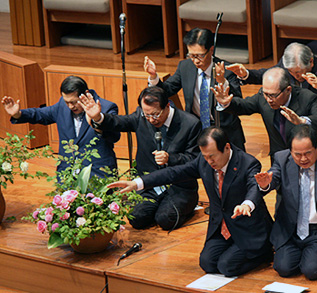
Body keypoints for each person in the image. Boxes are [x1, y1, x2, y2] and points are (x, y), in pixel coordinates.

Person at [107, 127, 273, 277]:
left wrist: (246, 204)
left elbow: (254, 188)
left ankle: (263, 252)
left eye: (212, 156)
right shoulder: (204, 161)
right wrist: (137, 183)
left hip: (247, 229)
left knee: (227, 266)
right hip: (222, 227)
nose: (209, 161)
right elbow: (174, 173)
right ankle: (233, 251)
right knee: (207, 263)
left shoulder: (248, 163)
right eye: (205, 156)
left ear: (227, 148)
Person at [79, 86, 201, 231]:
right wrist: (98, 117)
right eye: (147, 115)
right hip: (150, 184)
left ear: (167, 106)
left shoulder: (190, 123)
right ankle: (158, 206)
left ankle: (188, 205)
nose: (150, 120)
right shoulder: (141, 116)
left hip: (179, 186)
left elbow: (194, 159)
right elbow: (119, 122)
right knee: (137, 218)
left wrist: (170, 158)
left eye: (155, 115)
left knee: (165, 219)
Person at [254, 124, 317, 280]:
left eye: (308, 153)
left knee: (312, 271)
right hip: (290, 229)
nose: (303, 159)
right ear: (290, 151)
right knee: (283, 268)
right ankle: (303, 254)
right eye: (297, 154)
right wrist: (266, 184)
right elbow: (273, 177)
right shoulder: (281, 158)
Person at [144, 27, 246, 151]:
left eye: (200, 56)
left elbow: (238, 104)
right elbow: (168, 90)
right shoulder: (185, 67)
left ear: (211, 50)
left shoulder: (227, 70)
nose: (195, 61)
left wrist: (222, 82)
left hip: (224, 131)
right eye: (191, 55)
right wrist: (154, 77)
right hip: (196, 129)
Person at [1, 75, 120, 178]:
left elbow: (114, 136)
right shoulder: (62, 106)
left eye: (73, 102)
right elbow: (41, 114)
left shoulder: (106, 108)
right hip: (67, 175)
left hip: (98, 174)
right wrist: (19, 114)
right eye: (67, 102)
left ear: (85, 95)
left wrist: (97, 120)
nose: (70, 106)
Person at [213, 67, 317, 160]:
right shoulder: (263, 97)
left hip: (308, 156)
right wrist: (226, 103)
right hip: (280, 158)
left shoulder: (307, 97)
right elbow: (243, 106)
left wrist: (301, 121)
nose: (268, 99)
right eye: (266, 94)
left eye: (273, 95)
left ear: (288, 90)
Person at [227, 42, 317, 136]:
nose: (295, 75)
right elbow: (268, 74)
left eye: (298, 72)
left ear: (311, 62)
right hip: (295, 125)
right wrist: (246, 74)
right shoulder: (286, 65)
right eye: (291, 72)